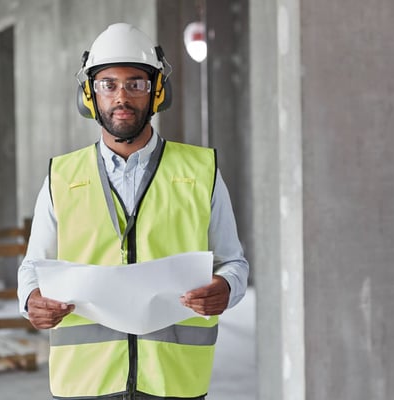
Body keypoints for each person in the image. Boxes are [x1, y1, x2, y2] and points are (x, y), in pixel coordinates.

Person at [17, 22, 249, 400]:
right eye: (108, 84)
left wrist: (225, 288)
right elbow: (32, 266)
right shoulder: (60, 176)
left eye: (135, 84)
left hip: (174, 380)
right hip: (85, 382)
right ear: (89, 95)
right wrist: (30, 301)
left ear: (157, 92)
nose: (121, 96)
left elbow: (233, 263)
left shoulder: (201, 170)